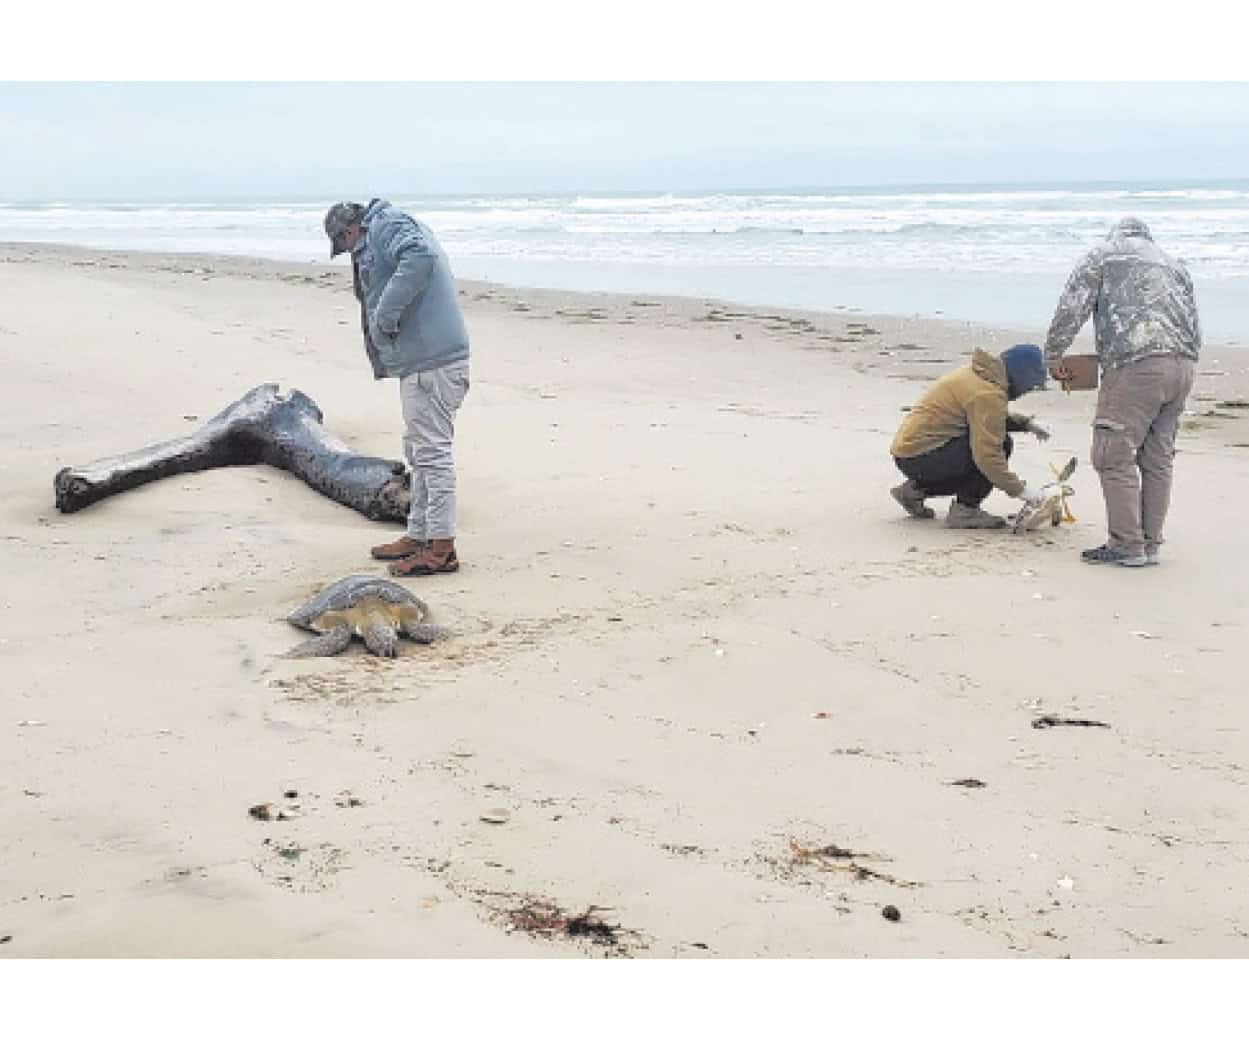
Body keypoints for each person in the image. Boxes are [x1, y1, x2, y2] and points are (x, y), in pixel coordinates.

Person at [324, 199, 471, 576]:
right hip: (424, 360)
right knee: (419, 451)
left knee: (432, 454)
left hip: (434, 363)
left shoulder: (386, 225)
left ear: (349, 231)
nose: (350, 254)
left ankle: (441, 550)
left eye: (346, 247)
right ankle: (420, 534)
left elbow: (420, 258)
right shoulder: (384, 227)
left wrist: (385, 313)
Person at [1044, 217, 1201, 568]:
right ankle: (1150, 542)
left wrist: (1053, 355)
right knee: (1158, 458)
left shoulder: (1105, 255)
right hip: (1183, 366)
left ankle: (1127, 545)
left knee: (1112, 453)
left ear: (1115, 235)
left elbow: (1072, 307)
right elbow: (1193, 321)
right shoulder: (1175, 265)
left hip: (1136, 364)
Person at [890, 344, 1051, 529]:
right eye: (1031, 385)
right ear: (1022, 376)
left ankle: (912, 492)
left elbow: (986, 417)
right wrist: (1021, 490)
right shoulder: (987, 393)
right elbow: (988, 457)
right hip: (924, 455)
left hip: (909, 454)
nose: (1028, 391)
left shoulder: (978, 375)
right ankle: (965, 511)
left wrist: (1026, 424)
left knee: (974, 459)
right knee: (998, 447)